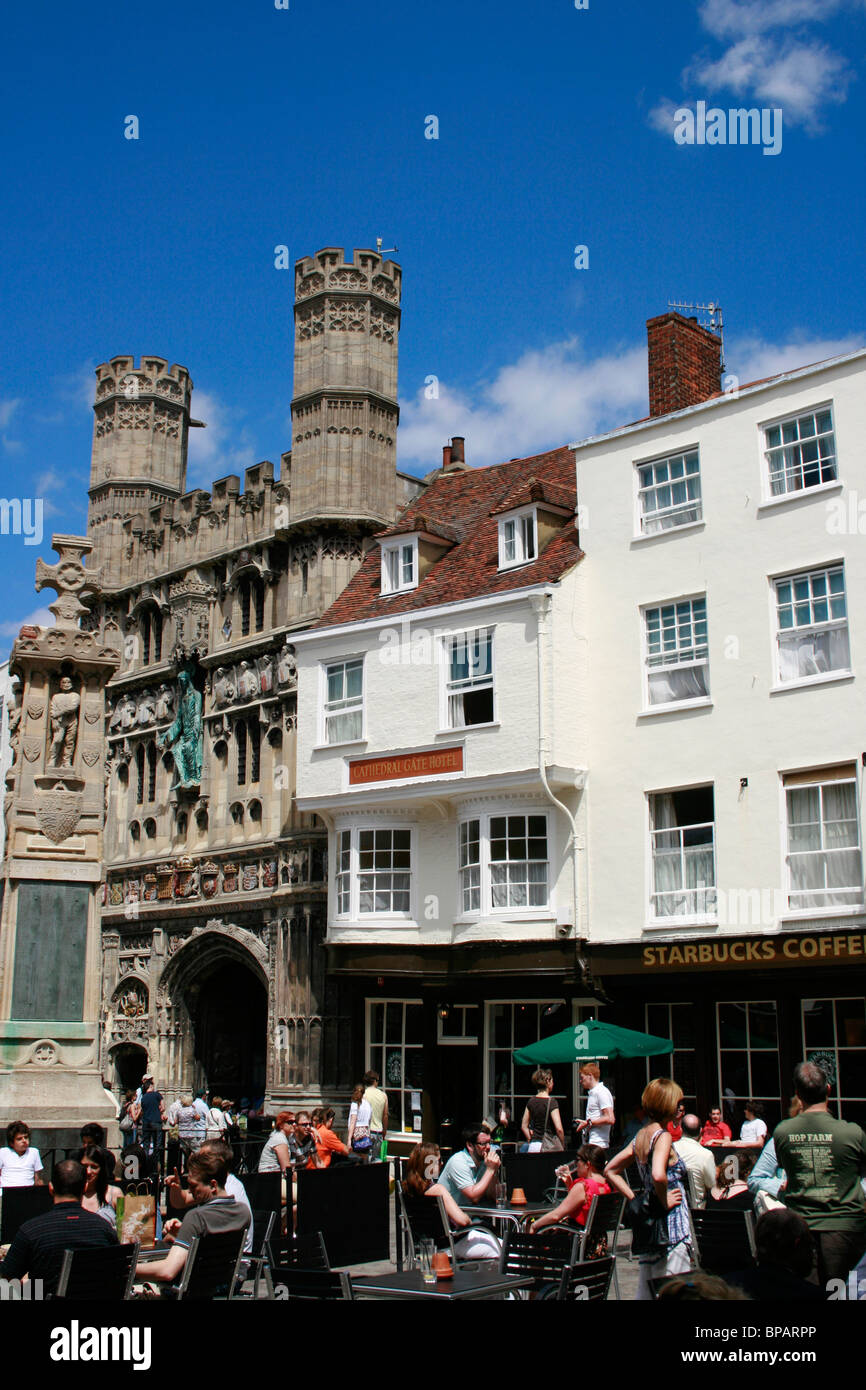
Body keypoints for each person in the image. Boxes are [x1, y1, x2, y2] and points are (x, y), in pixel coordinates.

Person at [773, 1060, 866, 1284]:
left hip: (801, 1229)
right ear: (828, 1090)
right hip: (846, 1229)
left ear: (797, 1094)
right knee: (846, 1294)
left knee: (806, 1293)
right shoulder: (853, 1133)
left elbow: (785, 1167)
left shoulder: (783, 1132)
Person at [605, 1078, 691, 1300]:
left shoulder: (641, 1135)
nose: (679, 1107)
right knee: (675, 1291)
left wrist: (637, 1198)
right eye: (676, 1102)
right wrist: (663, 1202)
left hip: (650, 1227)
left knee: (646, 1291)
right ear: (667, 1104)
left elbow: (610, 1170)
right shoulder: (662, 1136)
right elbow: (658, 1175)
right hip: (672, 1227)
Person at [0, 1159, 118, 1296]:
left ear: (51, 1188)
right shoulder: (104, 1229)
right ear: (85, 1187)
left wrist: (28, 1288)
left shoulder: (31, 1231)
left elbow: (7, 1280)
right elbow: (115, 1274)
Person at [137, 1147, 250, 1286]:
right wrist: (185, 1231)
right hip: (223, 1284)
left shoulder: (196, 1217)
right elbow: (211, 1244)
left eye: (193, 1186)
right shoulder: (243, 1213)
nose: (189, 1190)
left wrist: (129, 1268)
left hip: (189, 1289)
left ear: (213, 1185)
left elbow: (167, 1271)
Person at [403, 1142, 500, 1262]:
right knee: (506, 1249)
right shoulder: (438, 1190)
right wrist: (469, 1219)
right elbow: (463, 1221)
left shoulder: (408, 1191)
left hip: (427, 1246)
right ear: (428, 1164)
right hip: (451, 1246)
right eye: (438, 1161)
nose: (442, 1163)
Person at [165, 1141, 254, 1258]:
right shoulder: (214, 1188)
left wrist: (188, 1228)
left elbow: (220, 1234)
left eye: (203, 1158)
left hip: (229, 1264)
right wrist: (175, 1187)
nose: (199, 1161)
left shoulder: (229, 1190)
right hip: (214, 1260)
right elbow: (182, 1201)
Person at [729, 1209, 826, 1303]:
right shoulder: (814, 1296)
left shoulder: (726, 1288)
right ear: (797, 1243)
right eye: (811, 1244)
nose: (813, 1254)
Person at [530, 1145, 610, 1233]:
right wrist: (570, 1184)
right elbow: (583, 1205)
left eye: (578, 1160)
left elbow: (556, 1216)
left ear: (588, 1164)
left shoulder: (583, 1186)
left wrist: (534, 1225)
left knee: (533, 1223)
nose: (576, 1164)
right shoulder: (607, 1184)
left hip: (579, 1240)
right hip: (598, 1241)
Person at [438, 1124, 501, 1211]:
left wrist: (494, 1170)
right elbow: (473, 1197)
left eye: (489, 1142)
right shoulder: (458, 1161)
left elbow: (495, 1196)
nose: (488, 1147)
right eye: (483, 1144)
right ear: (470, 1145)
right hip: (452, 1218)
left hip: (474, 1215)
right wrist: (490, 1170)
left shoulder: (485, 1163)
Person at [674, 1114, 717, 1208]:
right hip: (696, 1213)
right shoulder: (706, 1155)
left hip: (671, 1210)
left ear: (681, 1129)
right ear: (701, 1131)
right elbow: (712, 1185)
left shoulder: (669, 1149)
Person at [520, 1068, 565, 1152]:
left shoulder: (531, 1101)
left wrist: (530, 1140)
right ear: (547, 1081)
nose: (553, 1083)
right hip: (548, 1145)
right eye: (552, 1080)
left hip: (533, 1146)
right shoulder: (552, 1102)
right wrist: (562, 1144)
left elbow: (524, 1126)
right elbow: (559, 1129)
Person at [576, 1063, 615, 1153]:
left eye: (582, 1078)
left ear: (590, 1076)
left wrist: (588, 1123)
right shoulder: (594, 1092)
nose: (580, 1081)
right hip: (593, 1144)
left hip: (598, 1144)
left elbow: (610, 1118)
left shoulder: (601, 1092)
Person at [0, 1121, 44, 1187]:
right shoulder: (3, 1152)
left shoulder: (34, 1152)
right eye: (19, 1139)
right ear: (12, 1143)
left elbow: (38, 1179)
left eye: (26, 1137)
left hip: (27, 1192)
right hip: (6, 1192)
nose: (24, 1141)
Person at [257, 1111, 294, 1178]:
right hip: (270, 1178)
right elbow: (286, 1170)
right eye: (290, 1122)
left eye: (295, 1122)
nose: (294, 1124)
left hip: (275, 1176)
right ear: (281, 1125)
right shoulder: (280, 1140)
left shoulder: (283, 1136)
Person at [363, 1070, 389, 1162]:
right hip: (379, 1130)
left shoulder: (364, 1095)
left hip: (367, 1131)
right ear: (374, 1081)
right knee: (377, 1159)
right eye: (378, 1080)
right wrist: (384, 1131)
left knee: (367, 1159)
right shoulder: (383, 1095)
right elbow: (385, 1116)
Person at [138, 1077, 166, 1159]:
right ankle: (155, 1161)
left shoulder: (143, 1098)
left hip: (146, 1122)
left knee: (146, 1143)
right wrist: (159, 1110)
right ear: (150, 1086)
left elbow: (142, 1110)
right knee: (157, 1143)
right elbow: (163, 1107)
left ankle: (146, 1160)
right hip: (156, 1121)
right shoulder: (157, 1094)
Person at [347, 1084, 373, 1158]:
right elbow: (369, 1120)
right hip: (365, 1134)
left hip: (356, 1135)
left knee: (355, 1159)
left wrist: (349, 1139)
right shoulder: (368, 1104)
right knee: (365, 1158)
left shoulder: (355, 1104)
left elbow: (353, 1121)